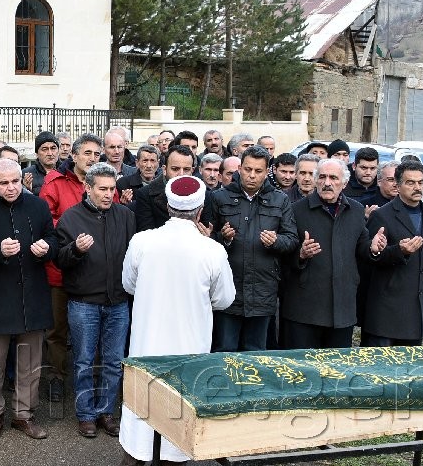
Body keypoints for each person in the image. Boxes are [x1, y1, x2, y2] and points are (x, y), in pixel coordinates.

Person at [116, 175, 234, 466]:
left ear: (168, 207)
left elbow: (129, 284)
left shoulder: (142, 241)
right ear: (200, 211)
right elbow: (224, 299)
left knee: (142, 400)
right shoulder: (212, 250)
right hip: (189, 341)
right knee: (180, 403)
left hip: (148, 339)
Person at [0, 158, 57, 442]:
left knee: (30, 362)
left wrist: (47, 247)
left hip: (32, 295)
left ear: (22, 180)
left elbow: (54, 239)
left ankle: (23, 414)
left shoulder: (38, 206)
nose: (11, 187)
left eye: (15, 181)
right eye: (3, 183)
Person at [55, 162, 134, 439]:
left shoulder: (125, 215)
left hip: (118, 301)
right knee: (84, 361)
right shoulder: (70, 218)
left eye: (112, 189)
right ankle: (86, 414)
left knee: (113, 361)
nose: (108, 194)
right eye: (102, 189)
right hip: (84, 302)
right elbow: (59, 260)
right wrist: (75, 250)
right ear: (88, 188)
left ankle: (106, 412)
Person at [279, 159, 385, 350]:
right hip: (304, 309)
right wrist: (301, 254)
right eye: (322, 177)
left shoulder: (356, 210)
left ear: (344, 183)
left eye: (333, 178)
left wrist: (373, 248)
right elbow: (283, 253)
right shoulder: (296, 210)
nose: (327, 182)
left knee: (337, 365)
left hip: (342, 308)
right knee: (301, 365)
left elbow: (362, 247)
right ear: (316, 180)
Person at [204, 146, 299, 353]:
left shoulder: (280, 199)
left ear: (267, 172)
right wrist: (223, 238)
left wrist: (276, 241)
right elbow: (206, 239)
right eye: (248, 169)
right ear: (240, 169)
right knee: (225, 349)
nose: (252, 175)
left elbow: (292, 239)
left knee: (255, 351)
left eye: (258, 171)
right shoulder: (219, 197)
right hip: (228, 288)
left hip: (263, 290)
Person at [39, 133, 104, 403]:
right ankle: (56, 376)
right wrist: (76, 230)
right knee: (57, 330)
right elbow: (46, 221)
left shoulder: (104, 184)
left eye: (97, 154)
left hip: (94, 271)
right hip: (60, 270)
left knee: (92, 330)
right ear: (74, 155)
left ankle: (91, 379)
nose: (92, 158)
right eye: (87, 153)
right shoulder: (55, 183)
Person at [362, 159, 423, 346]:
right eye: (410, 183)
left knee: (411, 362)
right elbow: (370, 257)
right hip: (386, 309)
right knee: (379, 361)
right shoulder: (382, 215)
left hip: (417, 306)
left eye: (420, 182)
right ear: (398, 186)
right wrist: (399, 251)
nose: (417, 187)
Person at [133, 146, 196, 233]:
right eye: (175, 169)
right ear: (164, 169)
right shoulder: (145, 194)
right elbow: (146, 234)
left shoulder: (203, 195)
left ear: (192, 171)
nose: (181, 174)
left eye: (186, 169)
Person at [22, 131, 59, 196]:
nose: (50, 153)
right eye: (45, 149)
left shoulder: (66, 172)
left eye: (53, 148)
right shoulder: (27, 175)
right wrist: (28, 191)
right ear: (37, 154)